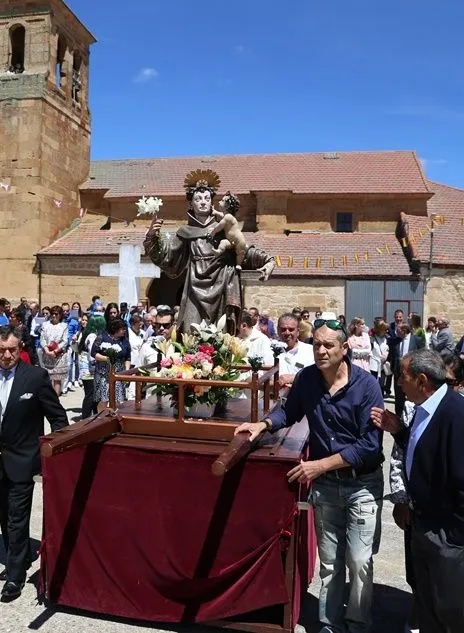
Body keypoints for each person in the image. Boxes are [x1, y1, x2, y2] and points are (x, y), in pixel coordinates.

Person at [236, 320, 384, 633]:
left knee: (358, 562)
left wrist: (319, 465)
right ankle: (330, 625)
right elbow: (288, 412)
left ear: (345, 349)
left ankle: (357, 624)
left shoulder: (367, 386)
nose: (320, 350)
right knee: (330, 563)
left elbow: (370, 446)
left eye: (329, 345)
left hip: (361, 484)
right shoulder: (307, 379)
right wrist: (261, 425)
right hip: (328, 487)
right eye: (316, 344)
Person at [372, 349, 464, 633]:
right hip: (423, 524)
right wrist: (400, 432)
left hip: (445, 533)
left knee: (453, 611)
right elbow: (427, 455)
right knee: (428, 610)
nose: (398, 382)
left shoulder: (456, 416)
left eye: (403, 376)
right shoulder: (425, 409)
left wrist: (452, 542)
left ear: (422, 380)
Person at [0, 326, 69, 602]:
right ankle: (17, 558)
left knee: (17, 517)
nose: (7, 355)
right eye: (2, 350)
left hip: (24, 460)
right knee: (4, 511)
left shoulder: (34, 377)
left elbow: (57, 417)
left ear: (19, 347)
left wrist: (53, 450)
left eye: (12, 349)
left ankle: (14, 576)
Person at [144, 168, 275, 332]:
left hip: (221, 285)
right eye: (198, 198)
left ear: (212, 202)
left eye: (207, 198)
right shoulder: (185, 232)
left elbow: (242, 248)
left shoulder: (222, 228)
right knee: (190, 332)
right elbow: (168, 257)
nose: (203, 202)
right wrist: (152, 237)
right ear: (191, 203)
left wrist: (268, 260)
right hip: (194, 289)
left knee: (221, 334)